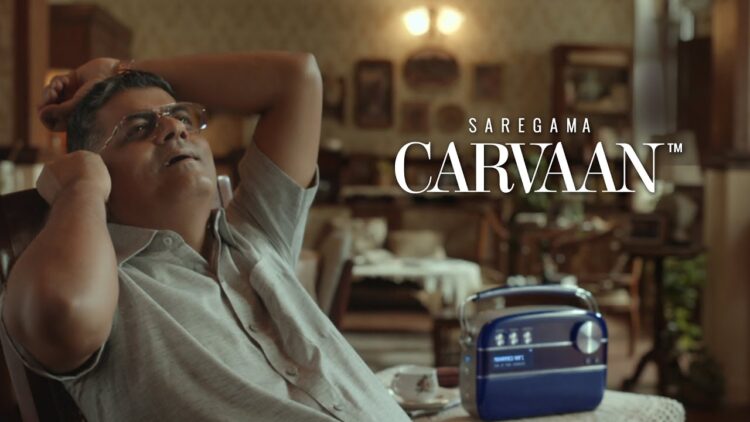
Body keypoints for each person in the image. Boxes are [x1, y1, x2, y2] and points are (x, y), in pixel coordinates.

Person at [0, 53, 410, 421]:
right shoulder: (109, 288)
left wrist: (119, 69)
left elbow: (298, 77)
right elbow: (61, 313)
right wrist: (80, 189)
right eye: (138, 128)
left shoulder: (256, 232)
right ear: (94, 166)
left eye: (181, 117)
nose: (174, 129)